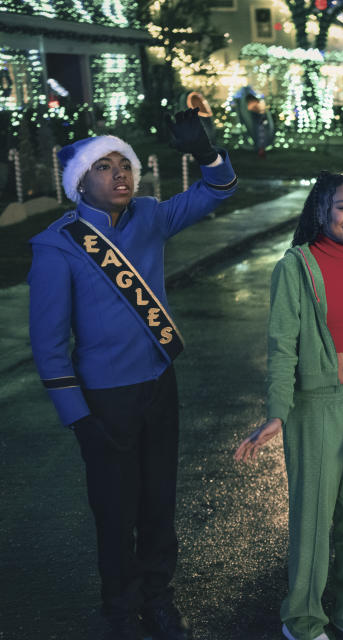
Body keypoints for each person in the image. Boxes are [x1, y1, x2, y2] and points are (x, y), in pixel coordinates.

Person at [28, 108, 237, 640]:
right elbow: (49, 347)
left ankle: (157, 596)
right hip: (103, 400)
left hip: (158, 387)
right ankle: (120, 608)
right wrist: (78, 418)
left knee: (158, 500)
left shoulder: (150, 217)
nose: (120, 174)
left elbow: (219, 189)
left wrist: (206, 151)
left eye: (126, 164)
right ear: (81, 182)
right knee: (116, 509)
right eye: (104, 167)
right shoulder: (57, 245)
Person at [234, 171, 343, 640]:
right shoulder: (296, 267)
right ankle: (301, 620)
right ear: (322, 210)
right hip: (315, 407)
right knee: (314, 520)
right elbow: (282, 345)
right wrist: (277, 412)